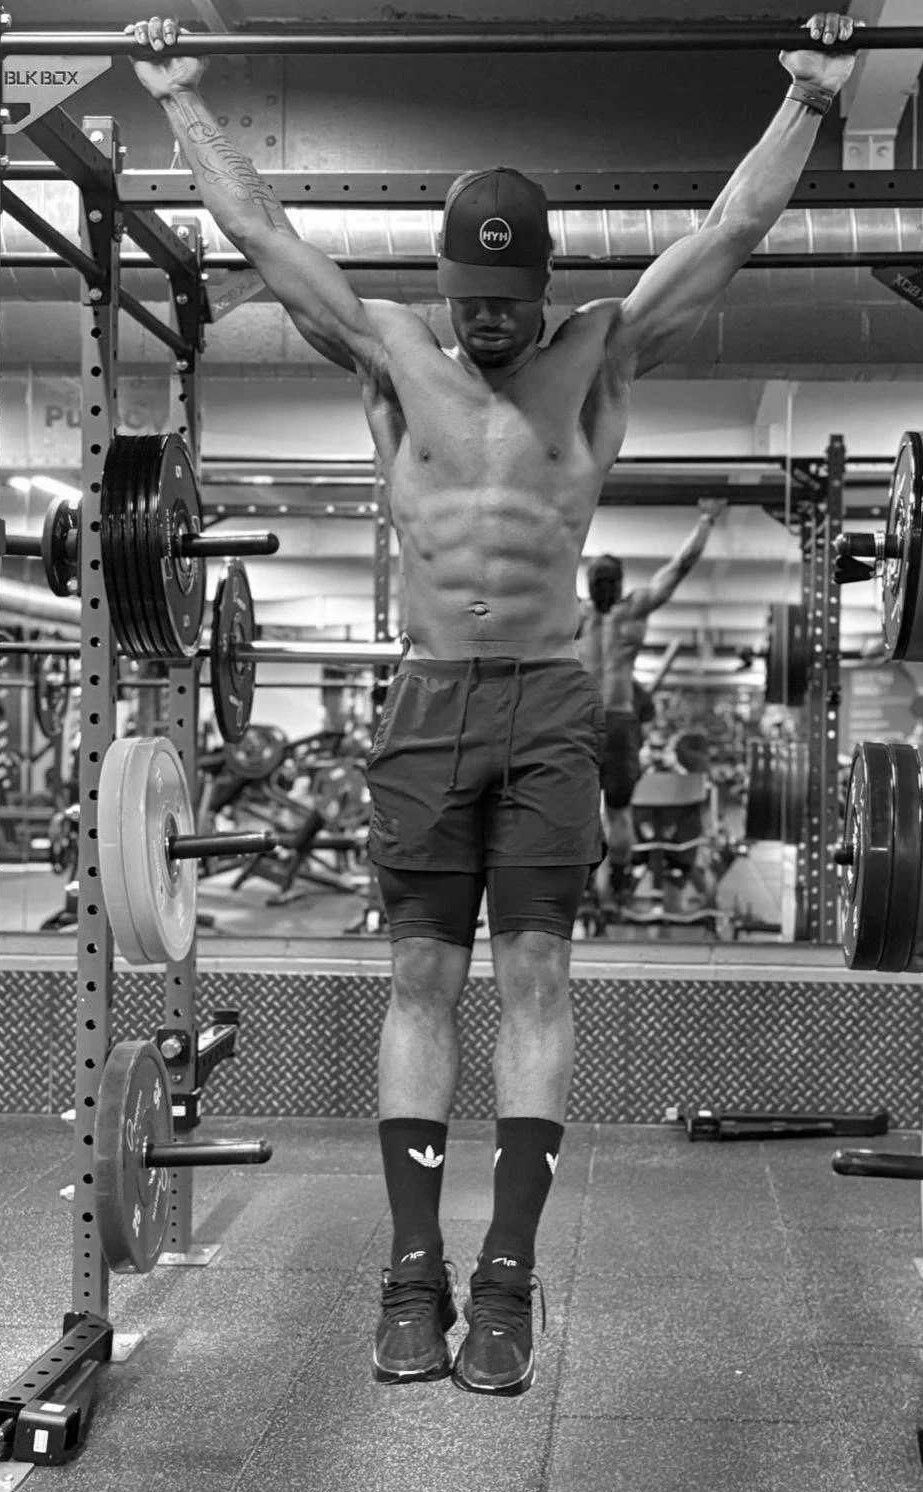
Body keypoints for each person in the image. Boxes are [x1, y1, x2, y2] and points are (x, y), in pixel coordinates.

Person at [127, 11, 861, 1397]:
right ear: (447, 281)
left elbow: (730, 231)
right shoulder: (392, 352)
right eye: (470, 296)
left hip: (546, 704)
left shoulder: (597, 355)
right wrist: (182, 102)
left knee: (534, 974)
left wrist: (811, 101)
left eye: (508, 302)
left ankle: (508, 1278)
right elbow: (264, 234)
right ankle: (413, 1273)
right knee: (420, 976)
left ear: (543, 288)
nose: (488, 320)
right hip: (426, 701)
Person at [576, 501, 725, 905]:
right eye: (601, 581)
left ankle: (609, 882)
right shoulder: (602, 613)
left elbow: (679, 567)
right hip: (598, 721)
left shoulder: (601, 613)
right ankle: (603, 883)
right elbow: (678, 567)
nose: (603, 587)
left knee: (602, 812)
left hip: (599, 722)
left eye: (605, 581)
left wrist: (706, 521)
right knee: (598, 812)